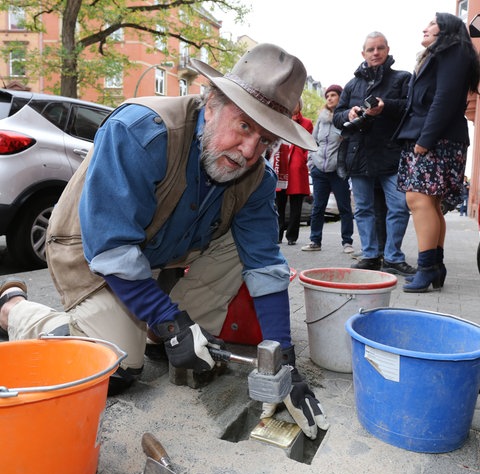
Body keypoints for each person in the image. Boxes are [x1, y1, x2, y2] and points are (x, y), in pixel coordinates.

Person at [0, 43, 329, 440]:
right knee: (115, 370)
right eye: (244, 126)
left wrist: (285, 362)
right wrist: (172, 324)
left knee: (239, 254)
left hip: (162, 254)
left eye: (266, 141)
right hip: (91, 250)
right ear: (211, 103)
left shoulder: (256, 177)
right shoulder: (141, 130)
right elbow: (113, 247)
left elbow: (264, 262)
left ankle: (161, 327)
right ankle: (13, 308)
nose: (249, 151)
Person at [395, 13, 480, 292]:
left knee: (418, 199)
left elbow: (444, 99)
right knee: (428, 203)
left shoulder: (454, 51)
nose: (425, 27)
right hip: (433, 137)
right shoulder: (443, 54)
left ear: (447, 30)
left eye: (432, 24)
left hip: (437, 139)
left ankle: (427, 267)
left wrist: (425, 140)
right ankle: (434, 266)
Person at [333, 31, 416, 277]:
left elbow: (410, 108)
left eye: (380, 48)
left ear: (387, 50)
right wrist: (348, 114)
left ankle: (392, 257)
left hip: (391, 153)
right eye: (371, 49)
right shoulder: (351, 84)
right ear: (363, 53)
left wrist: (384, 106)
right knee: (363, 209)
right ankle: (370, 255)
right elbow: (338, 116)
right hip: (358, 154)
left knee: (399, 207)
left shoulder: (402, 78)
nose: (376, 53)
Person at [301, 84, 354, 253]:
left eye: (333, 95)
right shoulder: (321, 120)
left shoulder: (346, 118)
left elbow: (350, 142)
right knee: (318, 207)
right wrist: (312, 162)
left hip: (338, 171)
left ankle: (347, 242)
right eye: (327, 96)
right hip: (319, 171)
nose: (329, 98)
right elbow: (312, 142)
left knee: (344, 207)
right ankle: (315, 241)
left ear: (340, 97)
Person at [273, 99, 313, 245]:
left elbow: (305, 143)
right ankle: (277, 234)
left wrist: (302, 159)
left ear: (300, 106)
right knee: (279, 202)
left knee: (296, 204)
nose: (292, 105)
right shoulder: (280, 119)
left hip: (296, 167)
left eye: (296, 102)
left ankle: (292, 236)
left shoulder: (306, 123)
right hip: (281, 164)